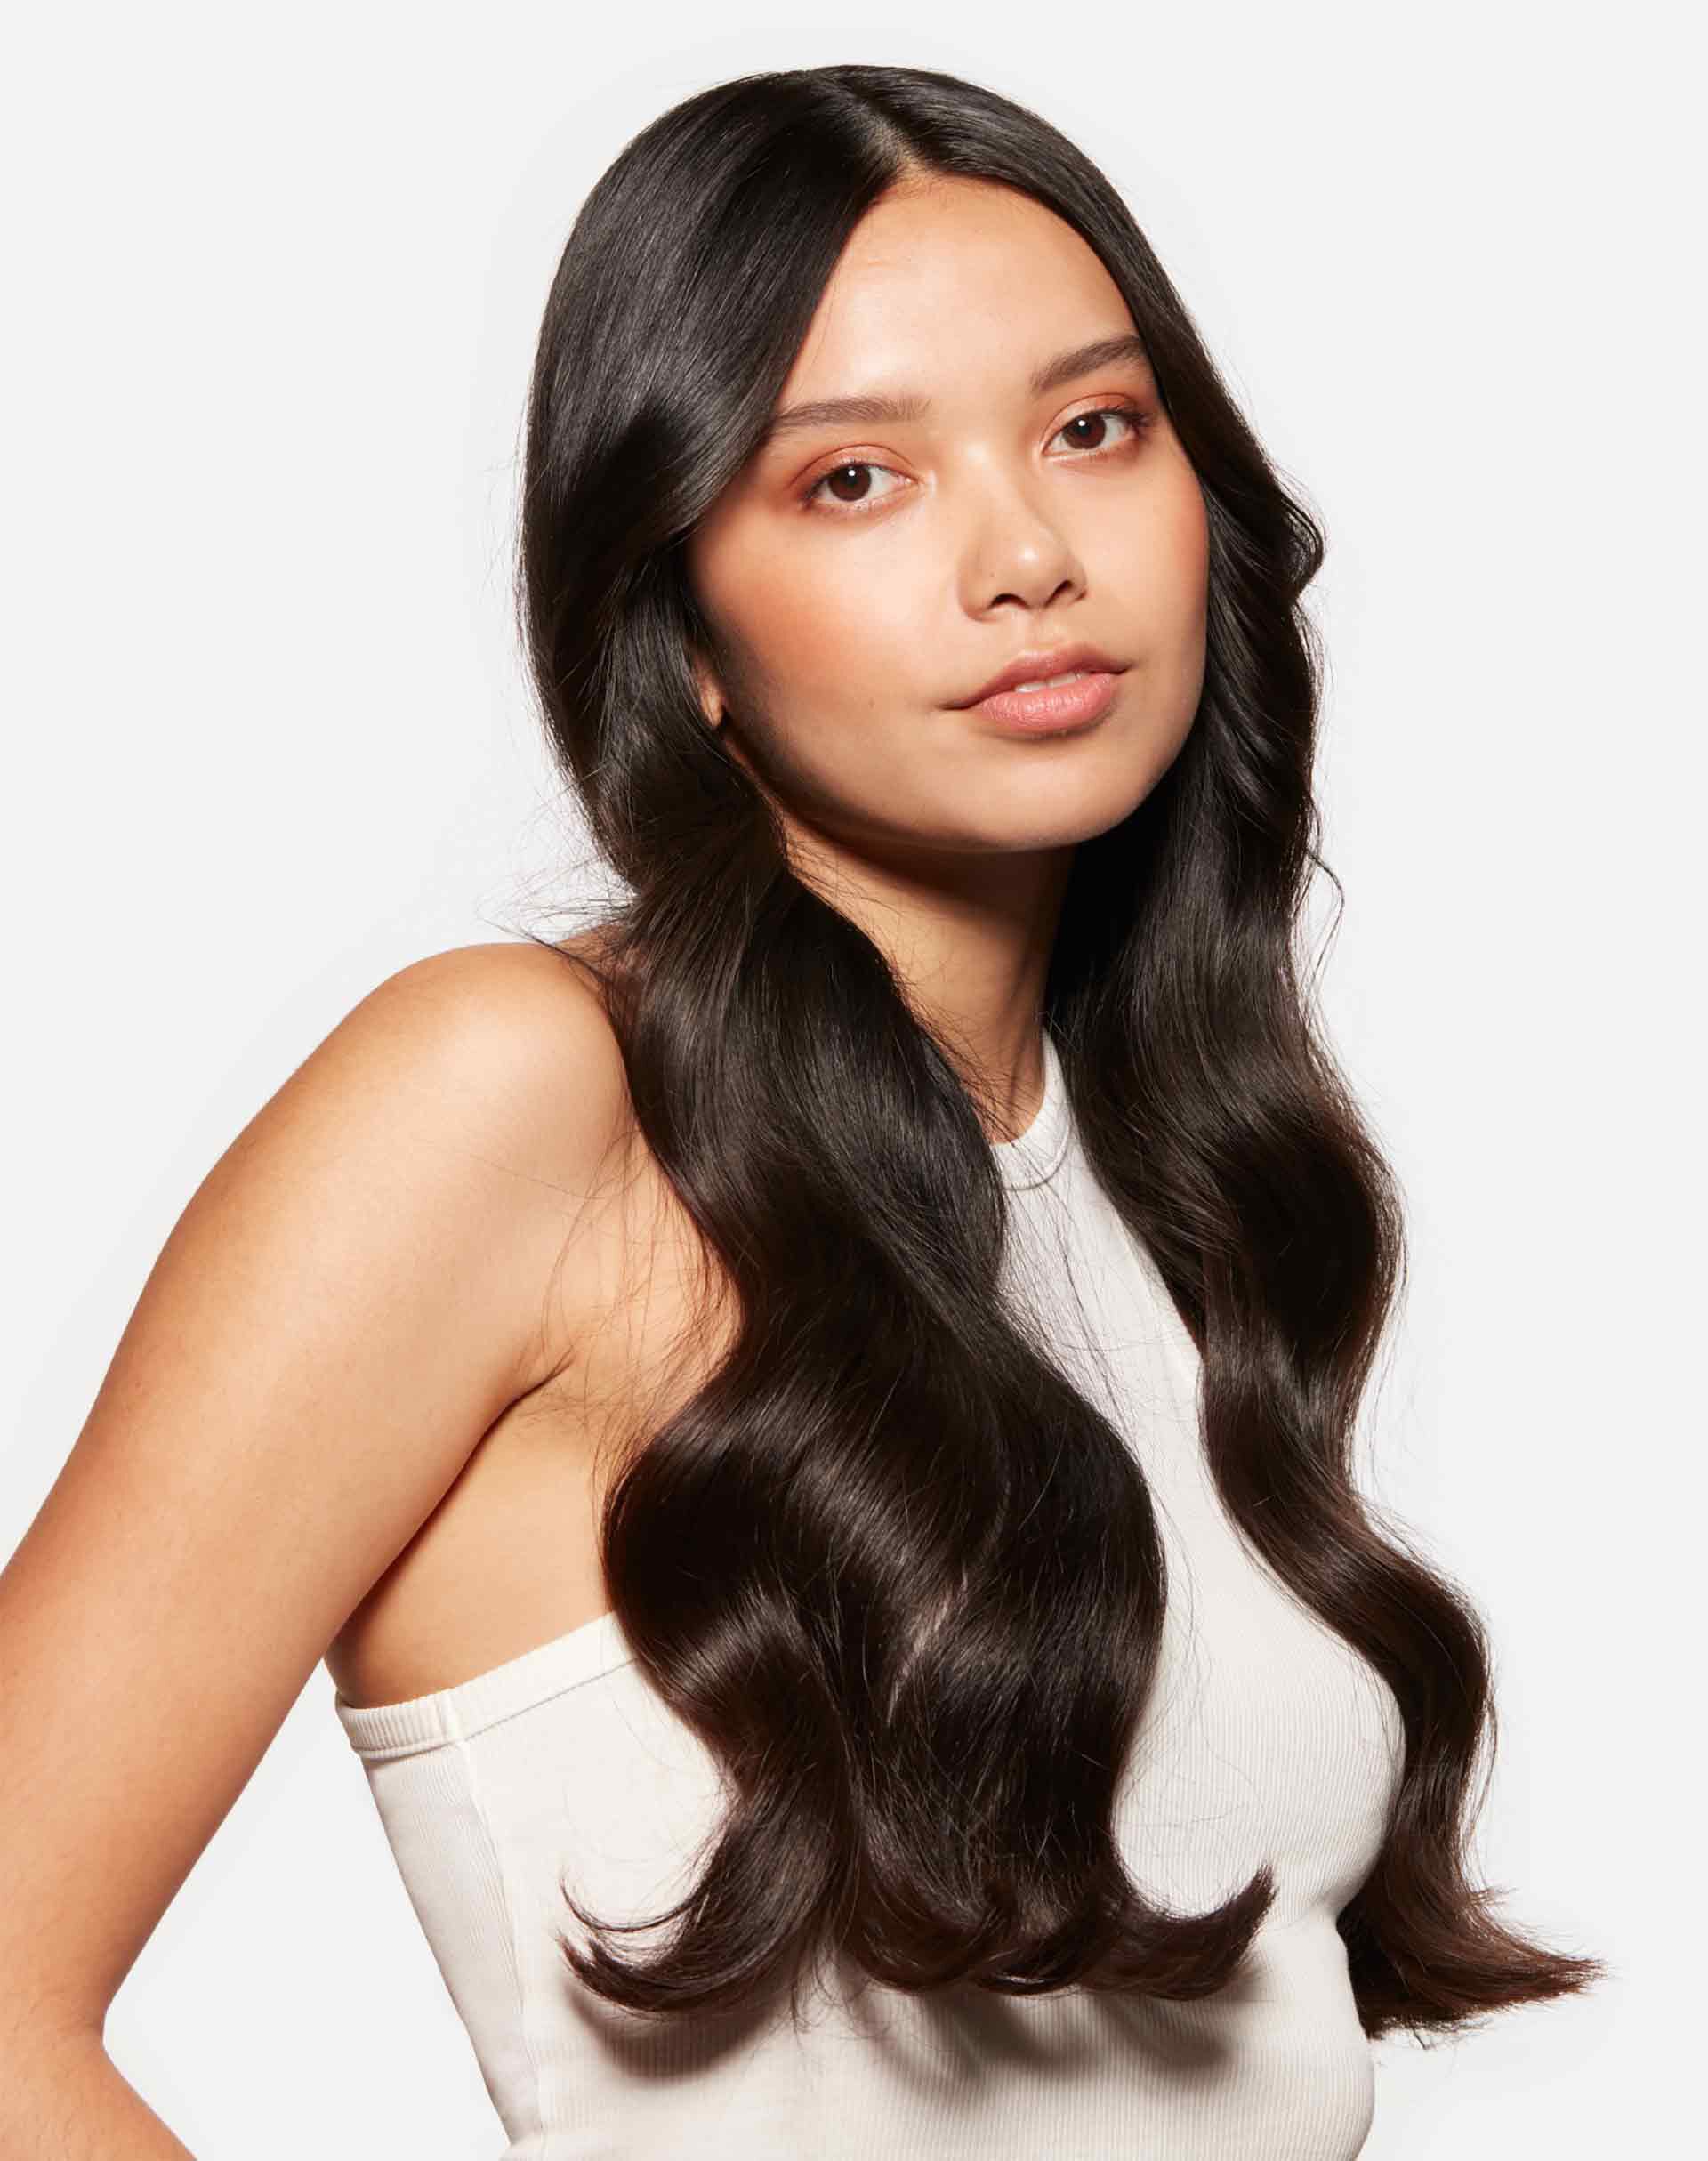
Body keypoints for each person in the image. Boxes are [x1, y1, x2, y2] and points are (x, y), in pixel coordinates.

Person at [0, 60, 1602, 2159]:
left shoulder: (1176, 1173)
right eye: (855, 478)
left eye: (1094, 429)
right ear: (675, 625)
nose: (1027, 554)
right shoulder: (521, 1096)